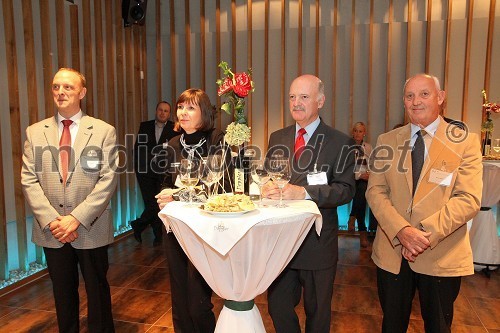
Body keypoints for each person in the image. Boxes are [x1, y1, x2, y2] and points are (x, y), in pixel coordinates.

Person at [366, 73, 482, 332]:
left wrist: (421, 236)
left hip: (441, 254)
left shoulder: (464, 142)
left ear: (440, 98)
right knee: (392, 325)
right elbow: (375, 192)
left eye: (424, 94)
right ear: (403, 102)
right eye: (409, 96)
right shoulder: (387, 141)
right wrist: (402, 231)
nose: (415, 101)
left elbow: (468, 199)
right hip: (393, 254)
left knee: (438, 326)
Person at [21, 68, 118, 332]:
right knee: (62, 293)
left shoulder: (103, 131)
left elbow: (108, 179)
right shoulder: (34, 132)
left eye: (68, 87)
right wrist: (54, 221)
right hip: (52, 230)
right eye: (56, 87)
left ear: (82, 93)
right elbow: (29, 180)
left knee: (97, 291)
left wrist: (76, 219)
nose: (61, 92)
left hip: (90, 226)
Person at [262, 74, 356, 333]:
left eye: (304, 97)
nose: (296, 103)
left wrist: (302, 193)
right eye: (292, 97)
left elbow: (345, 191)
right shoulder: (277, 137)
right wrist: (265, 186)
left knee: (317, 315)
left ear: (321, 101)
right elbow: (270, 176)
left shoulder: (340, 142)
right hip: (281, 244)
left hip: (317, 244)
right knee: (277, 306)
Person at [156, 88, 229, 332]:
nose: (182, 112)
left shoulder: (217, 140)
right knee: (179, 300)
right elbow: (167, 181)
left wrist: (176, 195)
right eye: (180, 107)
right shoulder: (173, 144)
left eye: (190, 108)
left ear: (204, 112)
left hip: (204, 229)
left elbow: (217, 187)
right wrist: (165, 196)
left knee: (198, 303)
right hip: (175, 226)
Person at [131, 101, 179, 245]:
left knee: (158, 203)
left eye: (166, 111)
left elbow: (175, 151)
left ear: (169, 114)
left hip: (164, 173)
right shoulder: (145, 126)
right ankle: (158, 236)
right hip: (145, 172)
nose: (162, 113)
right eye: (160, 110)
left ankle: (139, 224)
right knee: (149, 203)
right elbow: (138, 148)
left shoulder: (174, 128)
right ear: (156, 111)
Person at [347, 121, 372, 247]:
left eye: (360, 131)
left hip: (364, 179)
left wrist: (369, 174)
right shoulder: (347, 146)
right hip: (350, 178)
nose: (358, 133)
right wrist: (359, 175)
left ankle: (352, 218)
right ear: (353, 132)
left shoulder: (368, 147)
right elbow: (346, 166)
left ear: (364, 133)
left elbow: (371, 164)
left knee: (362, 191)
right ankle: (362, 232)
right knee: (361, 195)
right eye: (355, 131)